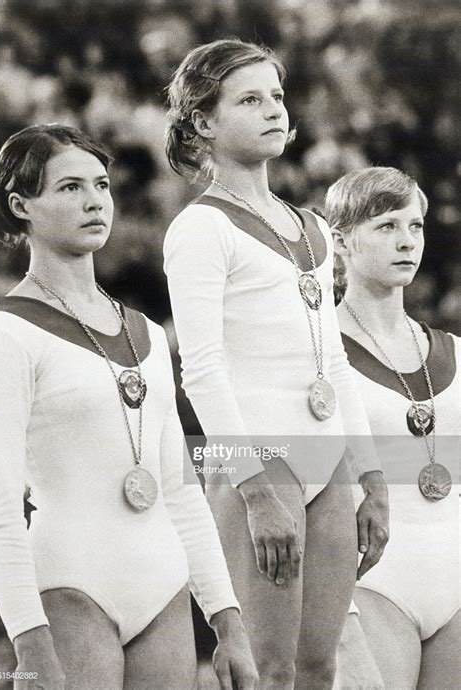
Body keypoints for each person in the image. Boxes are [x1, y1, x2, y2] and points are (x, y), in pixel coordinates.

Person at [0, 124, 258, 690]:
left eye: (102, 184)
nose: (93, 200)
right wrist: (29, 643)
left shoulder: (149, 335)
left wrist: (228, 621)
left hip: (162, 590)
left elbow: (179, 491)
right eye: (68, 188)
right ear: (21, 206)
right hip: (67, 587)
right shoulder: (6, 335)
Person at [163, 39, 389, 689]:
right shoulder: (202, 230)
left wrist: (371, 476)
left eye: (277, 96)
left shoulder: (313, 228)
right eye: (249, 99)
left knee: (321, 668)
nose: (272, 110)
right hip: (259, 461)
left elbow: (335, 364)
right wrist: (256, 489)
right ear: (204, 123)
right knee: (270, 673)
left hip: (327, 459)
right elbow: (201, 371)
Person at [325, 166, 460, 689]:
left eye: (415, 226)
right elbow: (235, 456)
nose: (406, 241)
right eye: (386, 227)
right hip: (372, 582)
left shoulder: (454, 352)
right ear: (340, 240)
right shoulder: (317, 353)